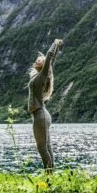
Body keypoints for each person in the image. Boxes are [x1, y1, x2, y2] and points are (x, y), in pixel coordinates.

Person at [28, 39, 63, 172]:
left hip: (40, 115)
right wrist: (56, 49)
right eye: (37, 60)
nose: (37, 61)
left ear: (44, 65)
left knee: (42, 148)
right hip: (41, 114)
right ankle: (51, 175)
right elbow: (50, 60)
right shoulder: (38, 75)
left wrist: (55, 43)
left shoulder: (43, 75)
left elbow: (49, 58)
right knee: (46, 147)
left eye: (40, 60)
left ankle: (49, 176)